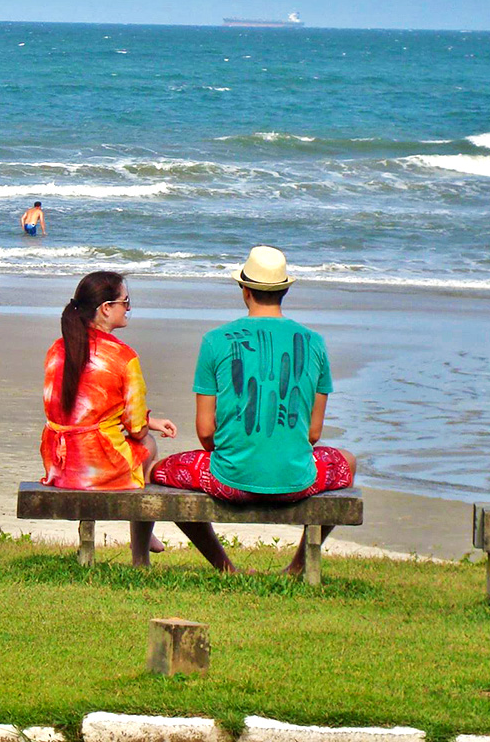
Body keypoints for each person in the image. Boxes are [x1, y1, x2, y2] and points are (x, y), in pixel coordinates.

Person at [151, 245, 357, 577]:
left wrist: (238, 453)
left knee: (158, 472)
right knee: (347, 460)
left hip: (228, 479)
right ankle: (297, 567)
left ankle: (225, 567)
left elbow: (206, 433)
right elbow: (314, 434)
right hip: (297, 480)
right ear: (285, 290)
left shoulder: (215, 340)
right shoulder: (314, 342)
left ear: (244, 291)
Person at [41, 271, 196, 566]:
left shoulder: (57, 349)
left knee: (142, 442)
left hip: (58, 462)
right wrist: (145, 426)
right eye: (126, 302)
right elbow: (136, 430)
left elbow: (75, 410)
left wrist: (150, 420)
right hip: (94, 466)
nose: (129, 308)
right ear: (105, 308)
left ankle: (143, 540)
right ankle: (140, 553)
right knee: (148, 447)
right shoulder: (123, 357)